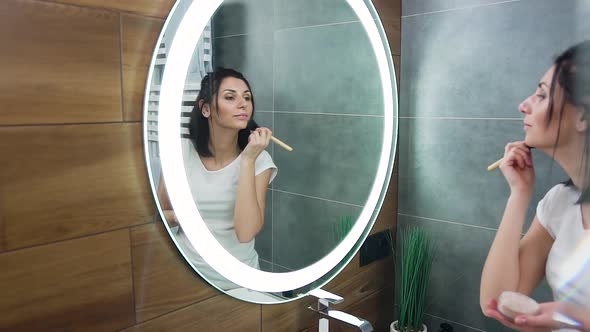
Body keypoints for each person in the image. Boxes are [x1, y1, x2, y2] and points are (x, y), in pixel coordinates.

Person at [480, 40, 590, 332]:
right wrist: (519, 195)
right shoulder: (560, 204)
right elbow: (496, 301)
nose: (523, 105)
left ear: (582, 115)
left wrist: (579, 319)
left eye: (541, 95)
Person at [158, 67, 277, 290]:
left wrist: (248, 161)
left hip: (240, 284)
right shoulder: (180, 152)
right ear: (205, 109)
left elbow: (246, 232)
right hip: (185, 276)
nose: (243, 104)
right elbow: (161, 216)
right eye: (230, 97)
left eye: (247, 98)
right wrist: (183, 217)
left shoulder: (260, 160)